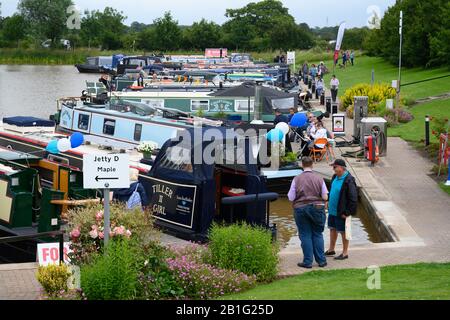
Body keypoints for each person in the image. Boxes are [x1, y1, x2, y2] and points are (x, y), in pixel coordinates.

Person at [288, 156, 329, 269]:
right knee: (317, 234)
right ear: (312, 165)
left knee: (305, 235)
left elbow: (291, 197)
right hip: (317, 208)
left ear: (302, 165)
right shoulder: (319, 178)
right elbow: (325, 197)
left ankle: (308, 262)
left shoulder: (296, 179)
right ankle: (321, 261)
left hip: (300, 208)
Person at [326, 159, 358, 260]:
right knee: (332, 229)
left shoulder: (349, 180)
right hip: (332, 210)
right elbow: (331, 190)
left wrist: (347, 212)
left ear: (342, 167)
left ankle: (345, 253)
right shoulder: (335, 177)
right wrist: (328, 200)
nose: (333, 169)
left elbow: (353, 198)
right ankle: (331, 249)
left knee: (343, 232)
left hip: (341, 212)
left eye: (335, 167)